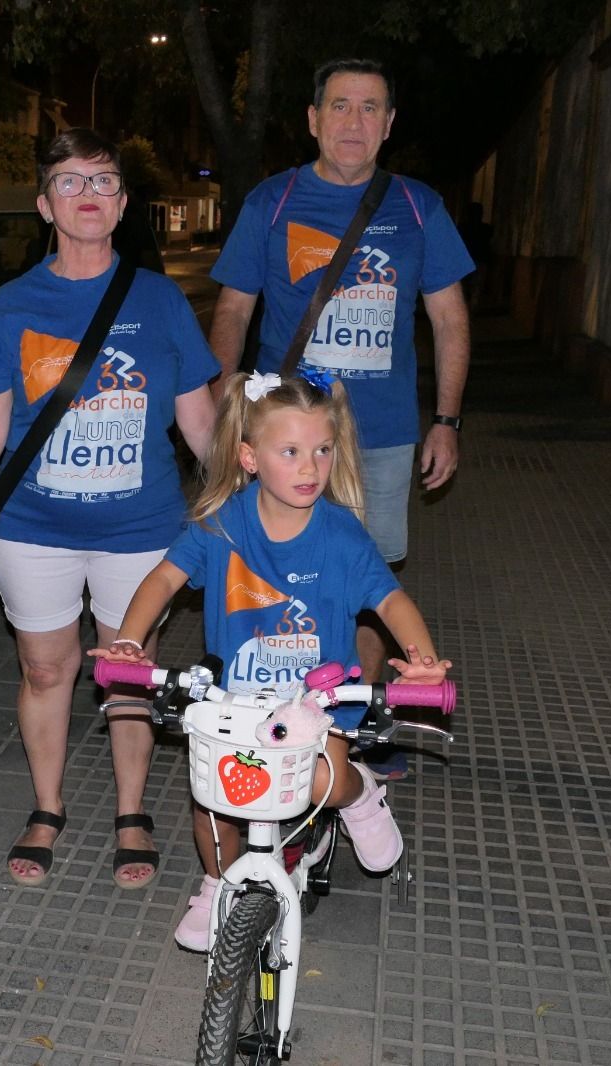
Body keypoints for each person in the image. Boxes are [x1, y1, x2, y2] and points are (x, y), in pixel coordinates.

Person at [0, 129, 219, 887]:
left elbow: (200, 422)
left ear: (123, 205)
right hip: (34, 530)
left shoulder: (160, 301)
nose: (88, 193)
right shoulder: (15, 303)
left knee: (128, 672)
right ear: (44, 205)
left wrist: (243, 512)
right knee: (43, 668)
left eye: (103, 181)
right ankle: (49, 806)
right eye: (70, 182)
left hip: (141, 529)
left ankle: (131, 812)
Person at [90, 373, 451, 950]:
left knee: (320, 783)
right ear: (250, 458)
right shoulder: (222, 524)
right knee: (214, 801)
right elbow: (162, 579)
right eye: (291, 452)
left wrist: (423, 660)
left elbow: (391, 599)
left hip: (319, 701)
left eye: (322, 450)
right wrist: (131, 642)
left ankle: (363, 797)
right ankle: (218, 885)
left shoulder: (341, 534)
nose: (311, 468)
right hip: (239, 702)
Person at [205, 57, 473, 737]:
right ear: (313, 119)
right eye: (341, 106)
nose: (354, 121)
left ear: (388, 124)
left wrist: (445, 420)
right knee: (272, 572)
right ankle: (274, 713)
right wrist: (218, 407)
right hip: (283, 434)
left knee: (368, 580)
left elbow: (450, 320)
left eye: (370, 107)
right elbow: (234, 311)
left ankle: (351, 723)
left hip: (380, 435)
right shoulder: (272, 202)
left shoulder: (419, 207)